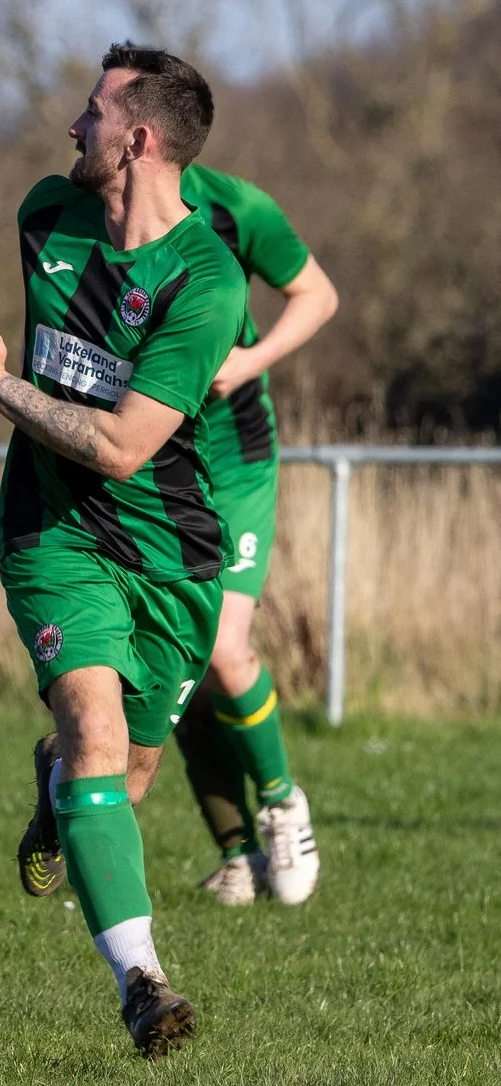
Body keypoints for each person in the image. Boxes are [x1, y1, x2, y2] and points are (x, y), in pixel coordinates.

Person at [0, 42, 246, 1059]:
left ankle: (56, 784)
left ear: (140, 137)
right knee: (98, 742)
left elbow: (121, 448)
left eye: (92, 111)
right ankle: (143, 984)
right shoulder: (44, 213)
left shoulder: (204, 279)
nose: (72, 126)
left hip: (171, 549)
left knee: (131, 768)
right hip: (51, 533)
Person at [170, 164, 336, 906]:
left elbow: (317, 294)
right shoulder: (78, 213)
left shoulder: (235, 206)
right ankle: (238, 855)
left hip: (232, 460)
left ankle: (281, 805)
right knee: (174, 665)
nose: (79, 127)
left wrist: (249, 361)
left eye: (97, 109)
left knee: (225, 648)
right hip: (147, 462)